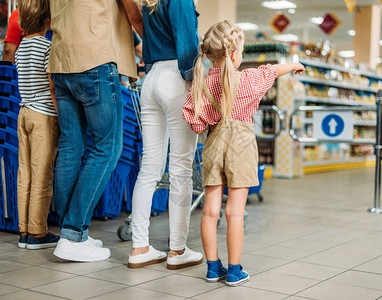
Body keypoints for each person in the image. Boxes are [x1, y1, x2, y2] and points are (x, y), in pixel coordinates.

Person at [182, 20, 305, 286]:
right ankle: (235, 271)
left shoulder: (201, 84)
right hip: (242, 148)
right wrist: (294, 65)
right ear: (236, 55)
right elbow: (270, 71)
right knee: (235, 212)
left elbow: (196, 123)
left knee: (210, 211)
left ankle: (213, 268)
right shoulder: (248, 80)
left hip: (213, 146)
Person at [48, 0, 143, 262]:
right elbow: (132, 8)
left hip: (61, 60)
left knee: (70, 147)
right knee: (108, 147)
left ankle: (71, 232)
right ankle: (74, 232)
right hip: (94, 58)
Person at [128, 0, 203, 270]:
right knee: (181, 167)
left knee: (149, 167)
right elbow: (187, 41)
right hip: (176, 77)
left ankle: (140, 247)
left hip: (151, 79)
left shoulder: (150, 1)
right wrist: (193, 80)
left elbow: (146, 40)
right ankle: (177, 250)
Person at [15, 0, 59, 250]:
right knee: (43, 174)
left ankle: (24, 230)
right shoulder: (47, 46)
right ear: (47, 20)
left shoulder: (21, 48)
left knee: (26, 174)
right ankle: (38, 233)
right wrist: (60, 114)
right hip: (43, 115)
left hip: (24, 113)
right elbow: (51, 84)